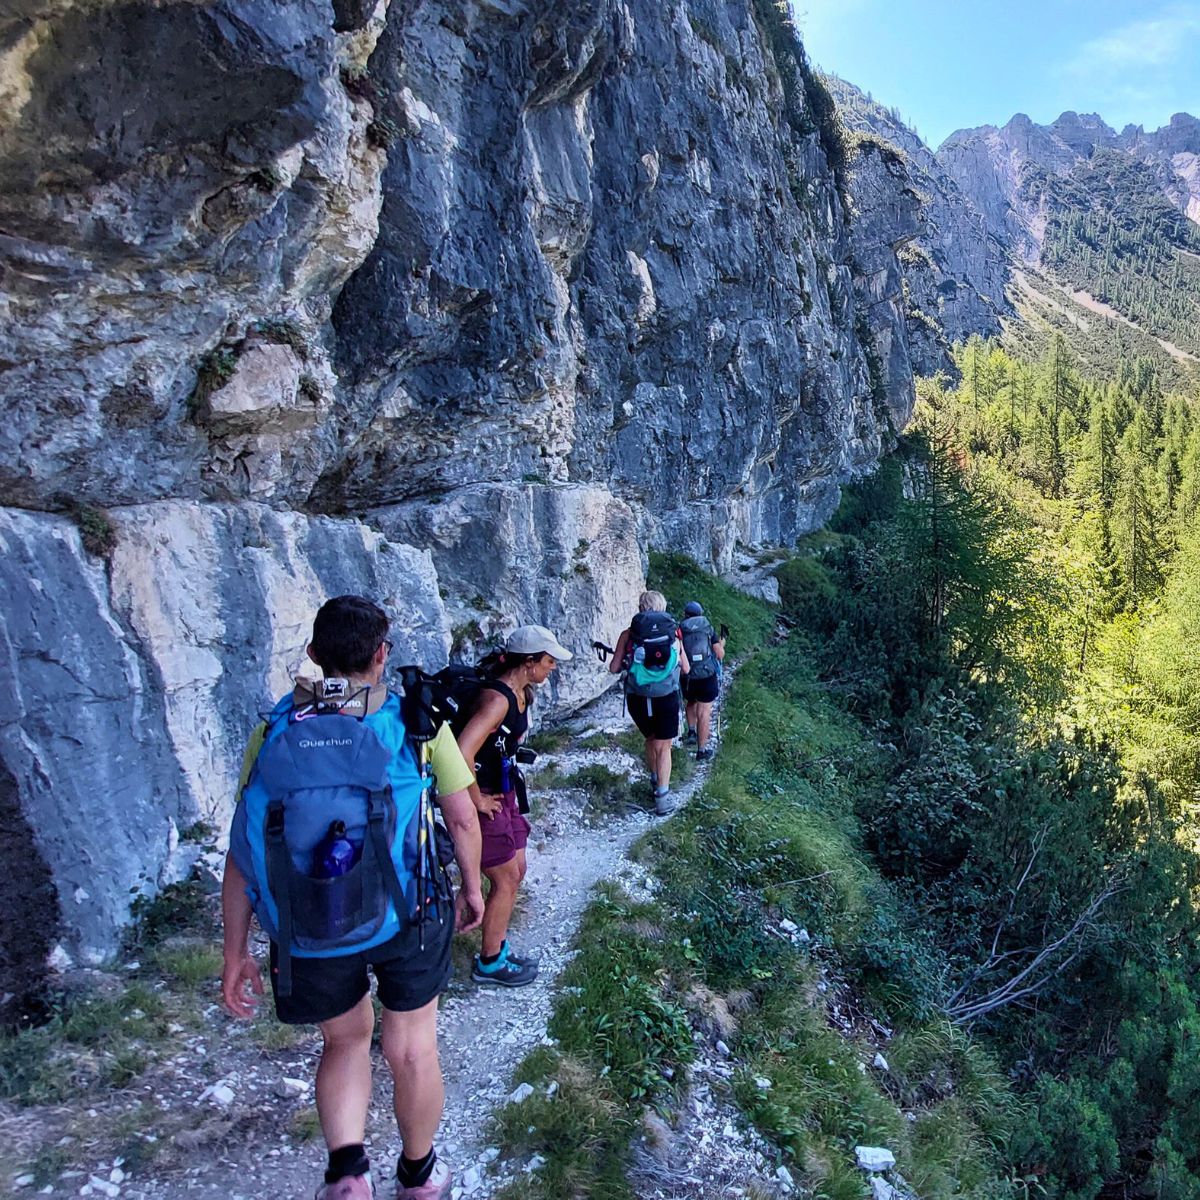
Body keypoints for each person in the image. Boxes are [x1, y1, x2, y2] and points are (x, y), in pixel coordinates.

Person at [221, 595, 485, 1200]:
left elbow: (243, 848)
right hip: (409, 913)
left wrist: (235, 950)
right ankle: (418, 1175)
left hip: (310, 920)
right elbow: (464, 821)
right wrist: (471, 887)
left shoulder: (273, 732)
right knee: (411, 1045)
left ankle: (347, 1176)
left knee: (343, 1040)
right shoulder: (417, 723)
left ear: (313, 656)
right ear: (382, 654)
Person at [453, 625, 571, 987]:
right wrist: (475, 799)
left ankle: (495, 945)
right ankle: (489, 963)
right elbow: (461, 750)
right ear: (529, 661)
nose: (553, 667)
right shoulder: (498, 699)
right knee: (504, 879)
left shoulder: (521, 693)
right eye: (548, 661)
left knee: (516, 870)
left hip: (504, 792)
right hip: (485, 796)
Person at [608, 590, 688, 815]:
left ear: (641, 608)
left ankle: (654, 780)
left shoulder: (628, 634)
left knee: (650, 738)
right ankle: (662, 799)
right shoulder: (674, 634)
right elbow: (686, 668)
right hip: (666, 698)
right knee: (664, 746)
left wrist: (628, 662)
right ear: (662, 608)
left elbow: (613, 668)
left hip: (638, 698)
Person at [679, 600, 725, 761]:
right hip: (706, 675)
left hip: (687, 675)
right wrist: (721, 644)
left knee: (691, 701)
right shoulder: (707, 627)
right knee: (704, 712)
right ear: (700, 614)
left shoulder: (680, 629)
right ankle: (702, 750)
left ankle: (691, 731)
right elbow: (719, 654)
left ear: (685, 614)